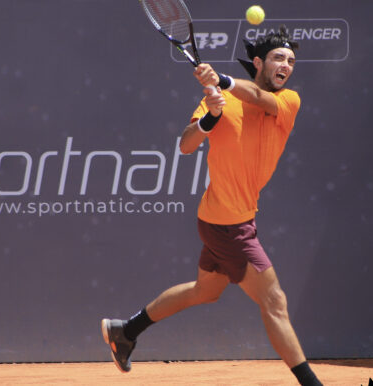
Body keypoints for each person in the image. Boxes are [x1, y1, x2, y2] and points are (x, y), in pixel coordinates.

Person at [101, 26, 322, 386]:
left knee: (205, 291)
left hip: (229, 218)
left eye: (291, 60)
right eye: (279, 58)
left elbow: (258, 97)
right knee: (275, 301)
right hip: (227, 223)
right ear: (258, 62)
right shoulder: (219, 100)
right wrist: (210, 119)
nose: (287, 65)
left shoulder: (287, 102)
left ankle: (125, 330)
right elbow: (186, 145)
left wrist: (223, 80)